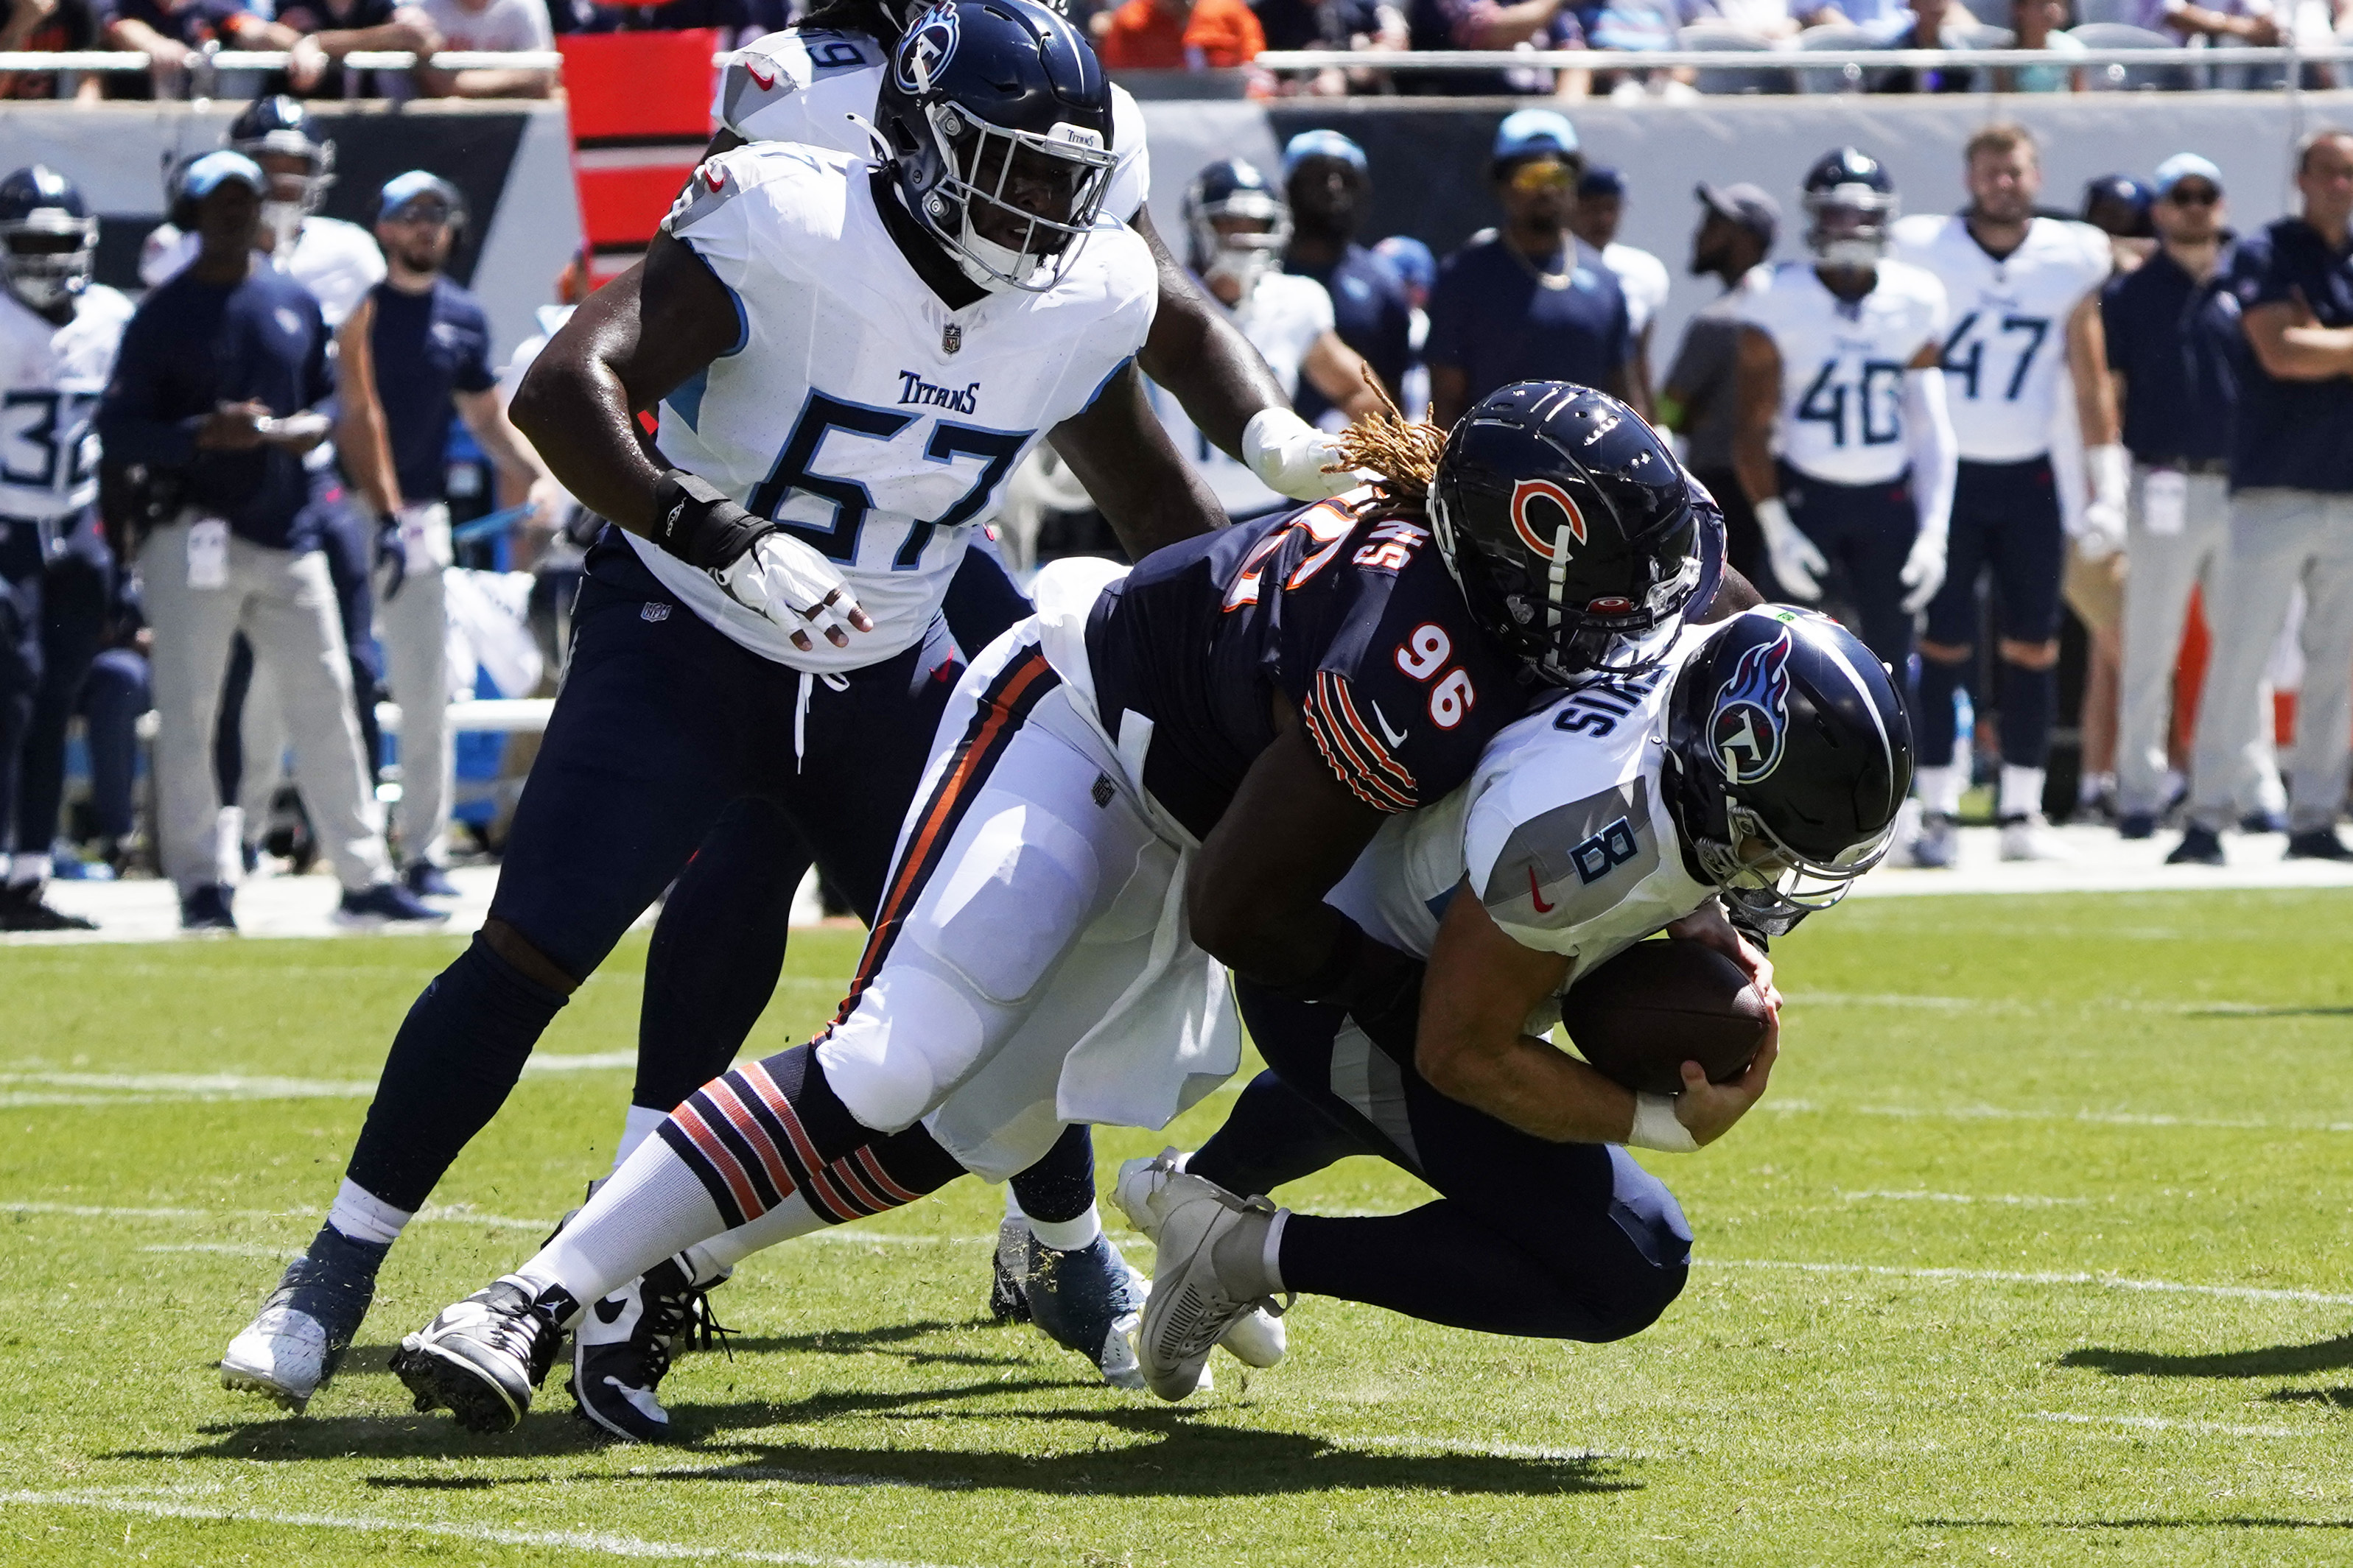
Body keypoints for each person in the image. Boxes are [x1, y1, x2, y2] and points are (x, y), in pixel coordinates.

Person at [217, 0, 1230, 1428]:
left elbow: (1156, 505)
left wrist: (1256, 616)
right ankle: (334, 1266)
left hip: (884, 665)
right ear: (924, 139)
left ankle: (1065, 1255)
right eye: (1007, 167)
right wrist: (713, 529)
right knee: (529, 946)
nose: (1040, 209)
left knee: (995, 980)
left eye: (1064, 178)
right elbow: (565, 387)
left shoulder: (1082, 289)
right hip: (684, 638)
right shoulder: (783, 215)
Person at [387, 382, 1747, 1435]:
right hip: (1082, 735)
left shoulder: (1483, 587)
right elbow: (1240, 906)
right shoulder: (1417, 650)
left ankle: (669, 1262)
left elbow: (1709, 612)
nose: (1630, 632)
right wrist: (1395, 1000)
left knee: (978, 1126)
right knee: (897, 1049)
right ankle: (526, 1297)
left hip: (1205, 808)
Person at [1121, 606, 1910, 1399]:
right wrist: (1661, 1121)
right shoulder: (1590, 837)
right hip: (1337, 982)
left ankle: (1189, 1189)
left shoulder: (1693, 651)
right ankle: (1236, 1251)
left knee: (1397, 1094)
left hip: (1373, 906)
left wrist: (1691, 903)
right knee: (1632, 1259)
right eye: (1765, 843)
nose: (1770, 871)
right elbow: (1461, 1050)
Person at [92, 152, 443, 933]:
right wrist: (199, 433)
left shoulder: (289, 298)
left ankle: (362, 872)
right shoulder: (163, 313)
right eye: (219, 202)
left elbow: (325, 393)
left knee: (327, 699)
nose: (235, 214)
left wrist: (305, 428)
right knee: (190, 711)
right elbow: (116, 431)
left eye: (245, 200)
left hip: (287, 528)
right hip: (191, 532)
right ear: (192, 213)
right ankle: (199, 880)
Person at [1892, 123, 2125, 865]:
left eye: (2014, 170)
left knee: (2032, 645)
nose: (2003, 183)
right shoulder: (1922, 248)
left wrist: (2106, 480)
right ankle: (1937, 810)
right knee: (1943, 644)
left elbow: (2087, 374)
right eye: (1989, 170)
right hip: (1951, 474)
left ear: (2035, 175)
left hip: (2028, 473)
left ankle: (2022, 810)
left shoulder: (2069, 255)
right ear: (1968, 178)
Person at [334, 172, 564, 893]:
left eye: (439, 214)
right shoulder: (355, 311)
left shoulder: (461, 316)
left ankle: (422, 851)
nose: (427, 227)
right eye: (412, 215)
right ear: (383, 227)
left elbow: (488, 421)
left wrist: (540, 476)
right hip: (342, 511)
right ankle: (310, 839)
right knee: (323, 683)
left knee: (427, 688)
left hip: (419, 521)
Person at [2173, 128, 2353, 865]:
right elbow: (2279, 351)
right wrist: (2316, 345)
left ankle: (2314, 814)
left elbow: (2307, 346)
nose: (2340, 185)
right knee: (2238, 658)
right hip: (2269, 488)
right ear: (2301, 177)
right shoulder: (2263, 251)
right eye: (2328, 172)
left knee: (2335, 663)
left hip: (2346, 490)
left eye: (2349, 174)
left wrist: (2327, 341)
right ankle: (2206, 815)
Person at [2104, 155, 2287, 843]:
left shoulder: (2252, 278)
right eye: (2179, 196)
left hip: (2244, 483)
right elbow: (2112, 389)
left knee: (2247, 646)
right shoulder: (2131, 293)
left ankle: (2254, 783)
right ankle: (2140, 792)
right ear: (2158, 209)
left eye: (2205, 195)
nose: (2193, 207)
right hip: (2164, 480)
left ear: (2222, 202)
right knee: (2151, 646)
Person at [1733, 149, 1954, 684]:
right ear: (1814, 217)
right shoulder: (1774, 294)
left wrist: (1934, 532)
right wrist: (1777, 526)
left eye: (1864, 214)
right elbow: (1751, 428)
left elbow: (1930, 426)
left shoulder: (1916, 297)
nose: (1852, 229)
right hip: (1808, 494)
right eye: (1838, 214)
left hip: (1887, 500)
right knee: (1784, 658)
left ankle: (1897, 771)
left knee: (1890, 666)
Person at [0, 166, 130, 932]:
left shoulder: (112, 316)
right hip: (8, 519)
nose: (48, 257)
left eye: (61, 240)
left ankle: (30, 869)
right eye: (31, 241)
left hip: (79, 525)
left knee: (55, 698)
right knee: (11, 692)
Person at [1149, 158, 1384, 521]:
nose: (1244, 235)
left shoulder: (1294, 301)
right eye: (1228, 221)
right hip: (1175, 506)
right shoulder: (1160, 298)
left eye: (1256, 223)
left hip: (1270, 509)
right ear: (1200, 226)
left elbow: (1362, 393)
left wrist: (1329, 452)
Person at [1426, 112, 1642, 429]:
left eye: (1557, 176)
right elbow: (1444, 400)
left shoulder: (1604, 279)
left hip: (1584, 473)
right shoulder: (1464, 277)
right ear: (1502, 187)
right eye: (1531, 177)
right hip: (1490, 470)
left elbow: (1624, 393)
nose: (1547, 190)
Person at [1660, 181, 1778, 596]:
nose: (1699, 233)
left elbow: (1668, 411)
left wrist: (1694, 417)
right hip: (1787, 489)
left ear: (1746, 240)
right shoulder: (1790, 311)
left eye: (1715, 223)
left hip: (1724, 494)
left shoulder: (1719, 322)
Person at [1278, 131, 1414, 426]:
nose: (1332, 187)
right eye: (1318, 176)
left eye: (1345, 177)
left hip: (1353, 460)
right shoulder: (1264, 274)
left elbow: (1393, 396)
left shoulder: (1382, 282)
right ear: (1290, 188)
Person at [1570, 166, 1669, 412]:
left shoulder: (1644, 273)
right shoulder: (1541, 269)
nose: (1603, 219)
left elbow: (1639, 360)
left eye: (1612, 208)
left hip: (1606, 417)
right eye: (1593, 208)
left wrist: (1650, 428)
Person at [410, 0, 555, 96]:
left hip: (511, 123)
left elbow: (543, 77)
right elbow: (439, 86)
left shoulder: (523, 4)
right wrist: (516, 78)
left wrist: (463, 87)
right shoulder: (423, 6)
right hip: (437, 125)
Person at [1095, 0, 1265, 68]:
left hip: (1230, 117)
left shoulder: (1230, 13)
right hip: (1157, 120)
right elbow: (1119, 82)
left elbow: (1256, 73)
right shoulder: (1131, 22)